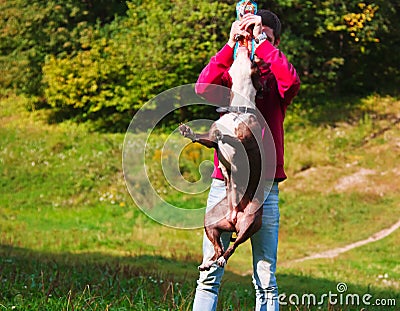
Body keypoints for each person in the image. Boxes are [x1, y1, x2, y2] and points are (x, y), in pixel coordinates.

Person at [192, 9, 301, 311]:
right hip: (223, 184)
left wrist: (263, 44)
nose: (253, 39)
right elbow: (202, 89)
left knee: (265, 279)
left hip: (265, 188)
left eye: (262, 34)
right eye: (250, 34)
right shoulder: (234, 74)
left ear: (274, 41)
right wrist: (230, 45)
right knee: (209, 272)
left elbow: (291, 83)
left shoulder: (274, 80)